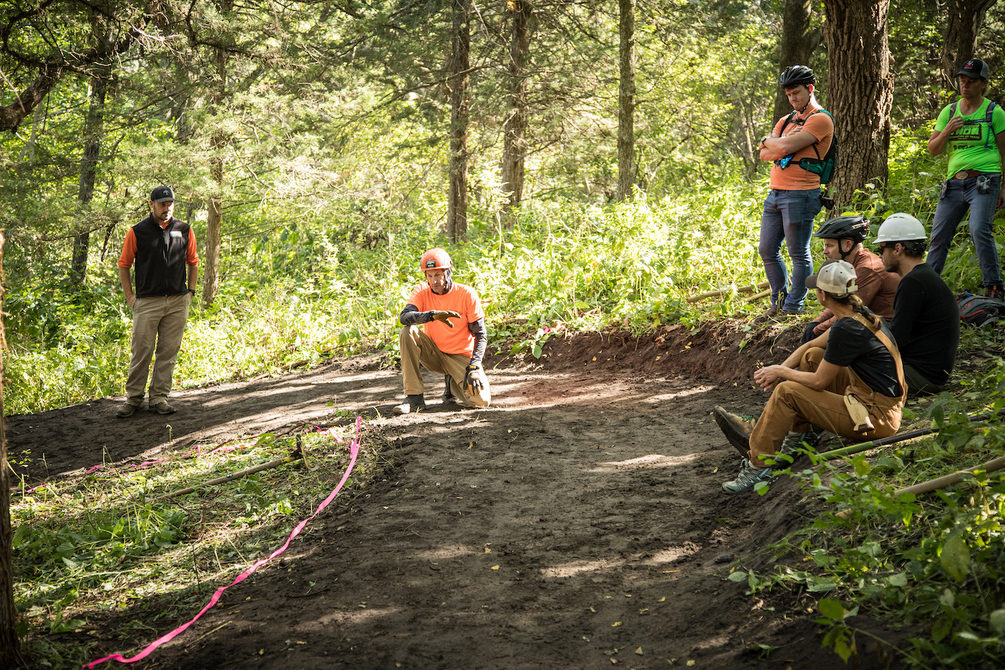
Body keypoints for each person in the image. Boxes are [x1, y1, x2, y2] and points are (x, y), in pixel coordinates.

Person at [718, 260, 905, 494]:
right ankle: (801, 436)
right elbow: (809, 346)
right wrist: (778, 369)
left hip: (875, 417)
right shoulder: (858, 315)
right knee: (813, 356)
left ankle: (759, 466)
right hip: (876, 402)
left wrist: (782, 375)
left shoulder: (847, 328)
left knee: (787, 393)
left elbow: (819, 382)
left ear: (823, 295)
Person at [755, 64, 834, 321]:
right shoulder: (786, 120)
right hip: (775, 193)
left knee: (798, 251)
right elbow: (765, 153)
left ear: (810, 89)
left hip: (801, 194)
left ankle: (793, 307)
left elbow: (785, 145)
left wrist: (773, 142)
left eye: (797, 93)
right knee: (767, 249)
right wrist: (773, 145)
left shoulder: (820, 118)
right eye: (789, 95)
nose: (792, 98)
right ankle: (777, 303)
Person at [116, 186, 199, 417]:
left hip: (177, 301)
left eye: (170, 203)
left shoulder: (184, 230)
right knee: (141, 351)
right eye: (162, 203)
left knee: (168, 352)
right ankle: (133, 399)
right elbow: (124, 265)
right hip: (147, 302)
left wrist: (190, 292)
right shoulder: (137, 232)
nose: (167, 208)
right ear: (151, 204)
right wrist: (131, 297)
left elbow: (193, 261)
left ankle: (159, 399)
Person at [926, 58, 1005, 299]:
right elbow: (933, 149)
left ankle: (993, 289)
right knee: (939, 235)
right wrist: (948, 129)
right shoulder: (949, 112)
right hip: (953, 183)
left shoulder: (994, 112)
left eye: (971, 81)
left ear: (983, 83)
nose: (965, 84)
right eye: (962, 80)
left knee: (978, 228)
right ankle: (927, 289)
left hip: (984, 180)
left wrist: (1004, 188)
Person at [394, 248, 490, 415]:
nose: (434, 281)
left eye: (438, 275)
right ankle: (414, 398)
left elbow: (481, 335)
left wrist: (474, 367)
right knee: (406, 331)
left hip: (460, 356)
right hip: (433, 353)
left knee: (481, 401)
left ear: (448, 272)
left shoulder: (467, 294)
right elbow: (404, 317)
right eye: (430, 276)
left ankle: (452, 385)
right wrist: (431, 316)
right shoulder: (421, 291)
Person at [876, 213, 960, 396]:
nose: (880, 255)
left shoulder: (913, 282)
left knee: (845, 371)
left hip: (921, 376)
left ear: (897, 248)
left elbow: (896, 339)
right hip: (927, 372)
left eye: (881, 249)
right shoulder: (923, 276)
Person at [801, 216, 899, 343]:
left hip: (886, 332)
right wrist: (816, 323)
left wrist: (817, 331)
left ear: (847, 245)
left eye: (829, 246)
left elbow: (850, 310)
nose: (825, 251)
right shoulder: (852, 265)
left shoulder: (868, 268)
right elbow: (839, 301)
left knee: (814, 349)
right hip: (871, 325)